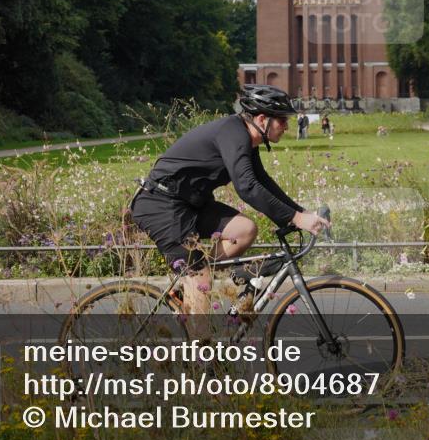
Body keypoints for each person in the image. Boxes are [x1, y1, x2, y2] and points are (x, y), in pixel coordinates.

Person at [129, 84, 331, 329]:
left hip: (189, 204)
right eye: (282, 120)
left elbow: (263, 183)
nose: (287, 126)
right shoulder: (233, 133)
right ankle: (201, 361)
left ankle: (190, 285)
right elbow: (246, 187)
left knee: (244, 230)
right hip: (160, 204)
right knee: (200, 276)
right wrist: (296, 218)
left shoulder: (246, 139)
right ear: (262, 119)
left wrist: (299, 214)